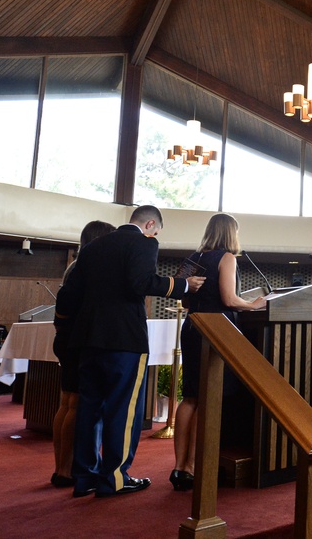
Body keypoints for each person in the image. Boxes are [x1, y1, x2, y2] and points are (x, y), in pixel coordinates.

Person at [56, 205, 205, 498]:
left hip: (88, 339)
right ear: (150, 224)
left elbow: (70, 294)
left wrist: (66, 330)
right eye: (157, 230)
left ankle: (84, 477)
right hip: (124, 339)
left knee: (89, 408)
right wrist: (184, 285)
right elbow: (140, 283)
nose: (156, 234)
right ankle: (114, 478)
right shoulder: (143, 242)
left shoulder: (93, 247)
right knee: (123, 410)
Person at [170, 213, 267, 492]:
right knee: (208, 398)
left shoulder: (192, 258)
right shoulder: (227, 258)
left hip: (192, 327)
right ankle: (195, 466)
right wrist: (255, 304)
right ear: (230, 233)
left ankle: (180, 467)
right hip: (216, 331)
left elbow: (184, 297)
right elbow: (229, 299)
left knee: (190, 397)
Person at [50, 220, 116, 489]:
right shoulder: (90, 269)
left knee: (66, 403)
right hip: (79, 341)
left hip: (66, 337)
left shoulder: (74, 267)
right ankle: (66, 469)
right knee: (75, 405)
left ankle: (61, 467)